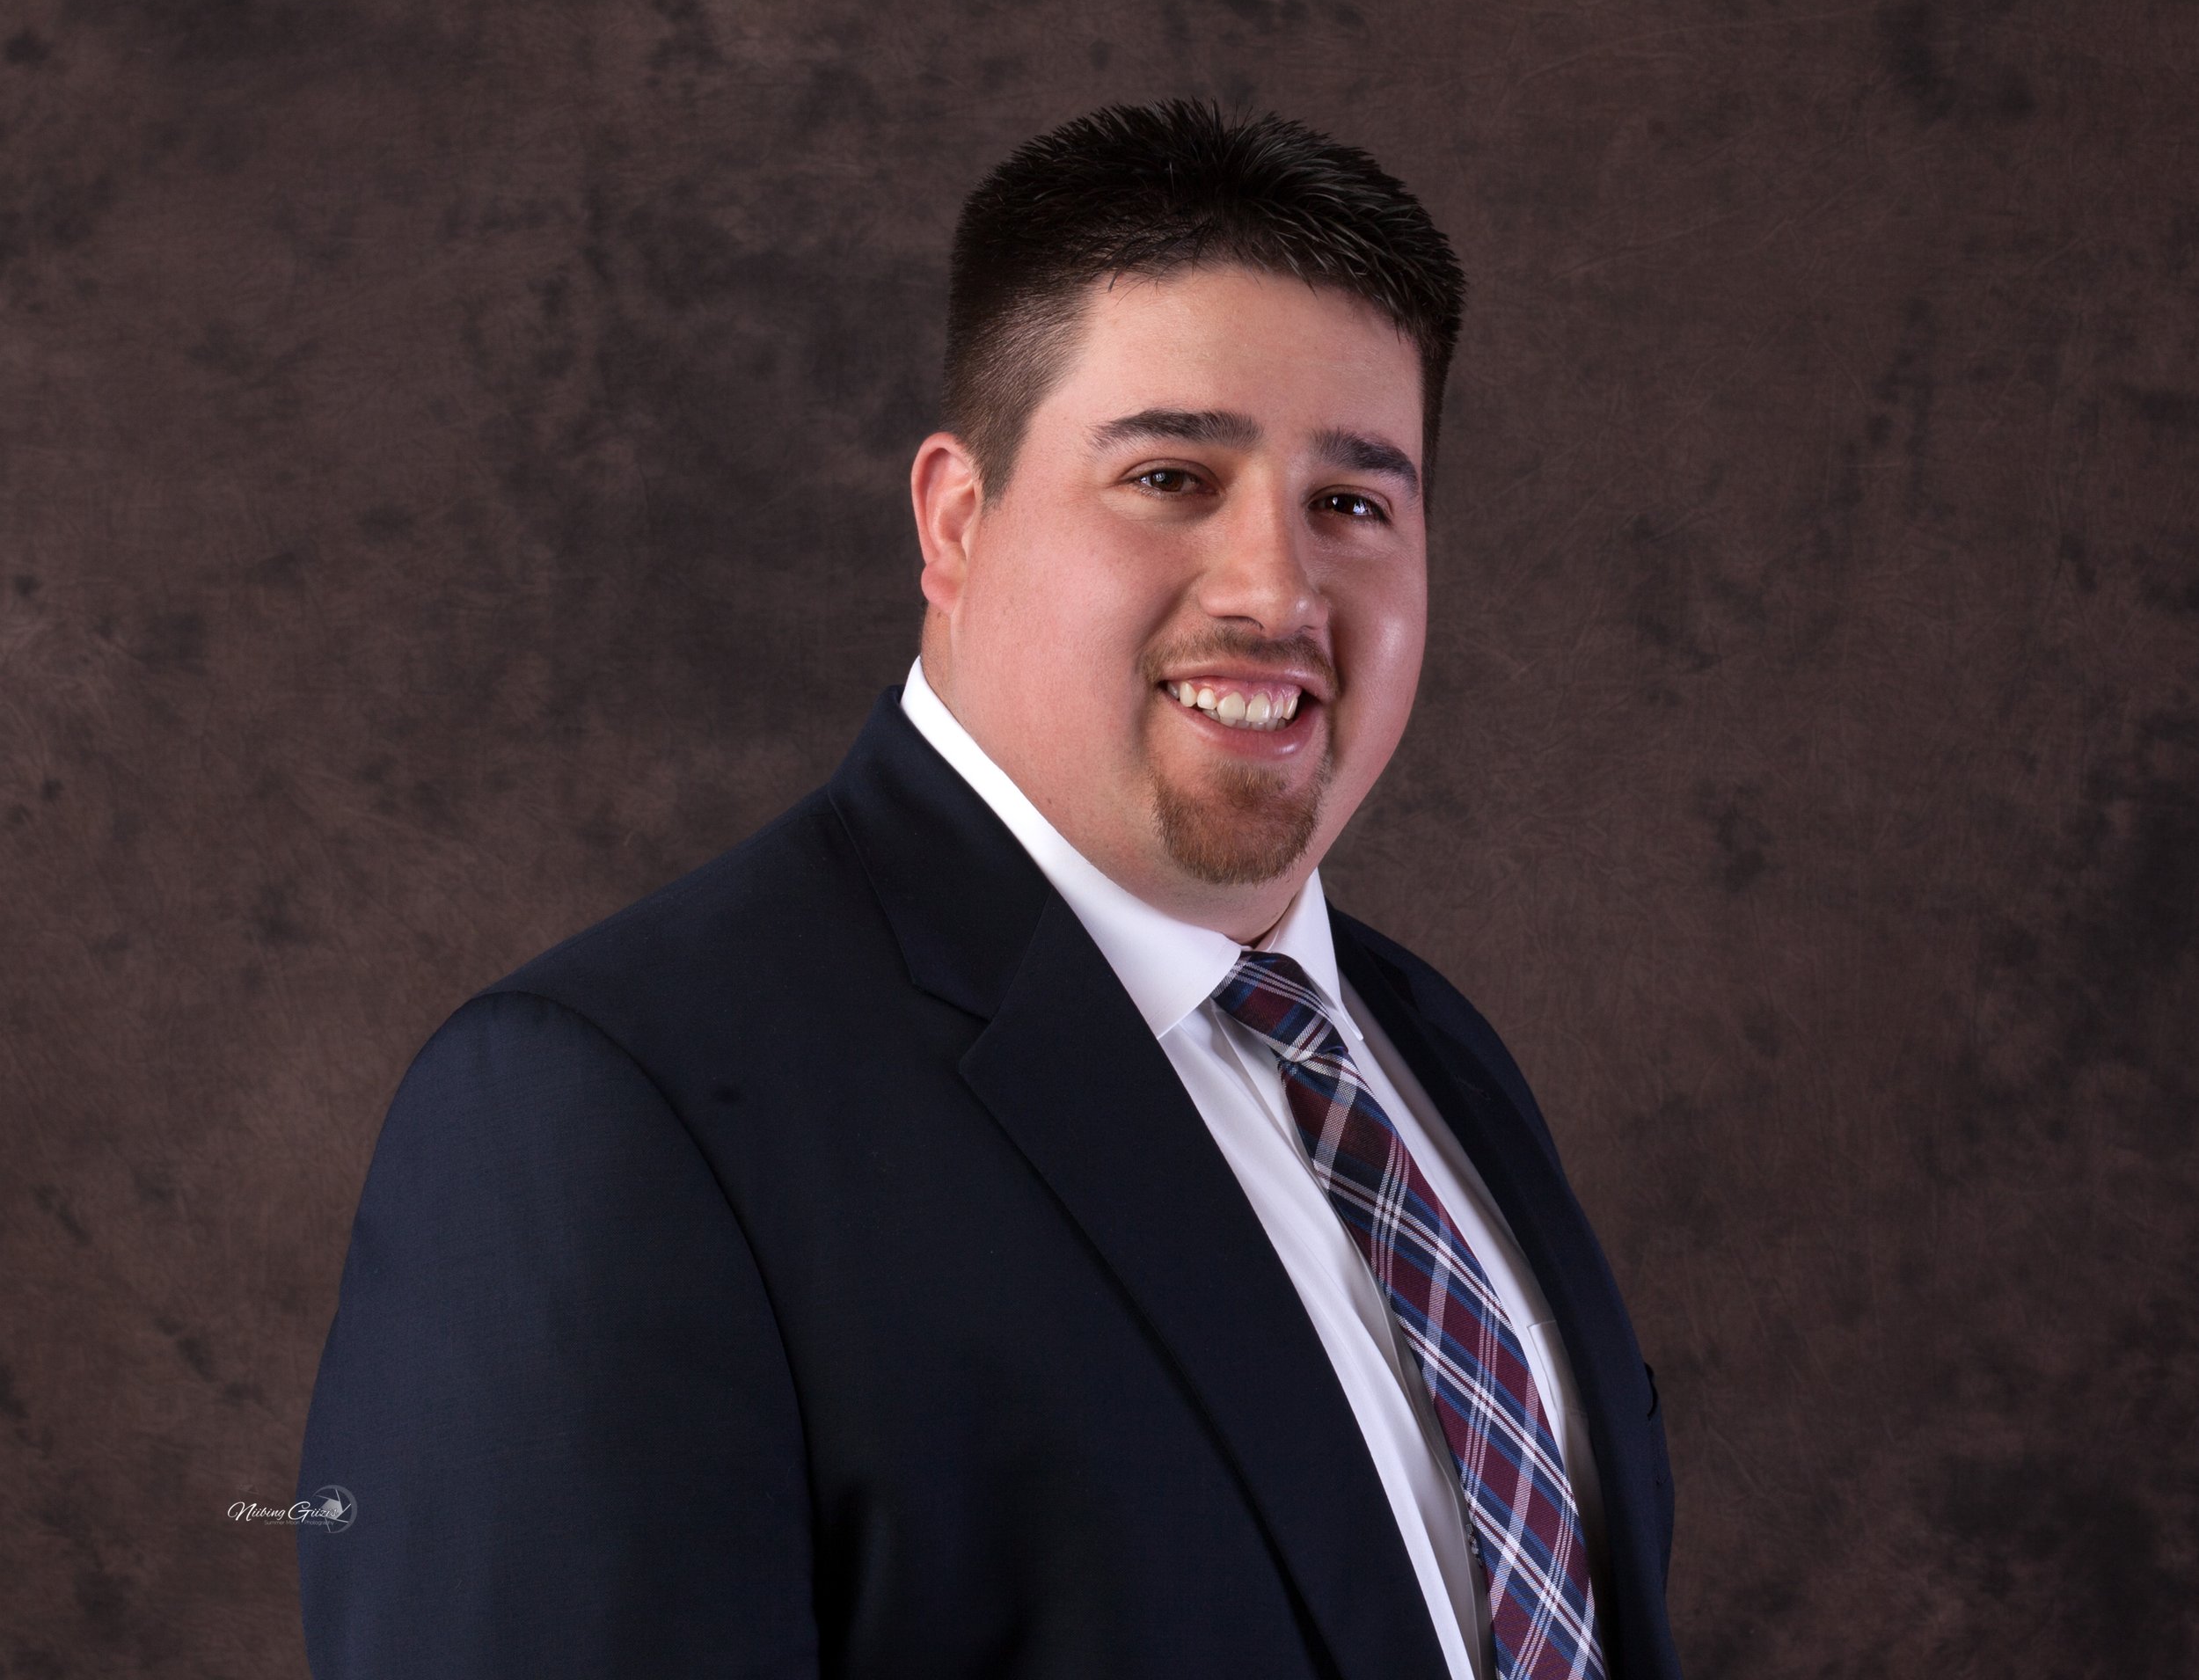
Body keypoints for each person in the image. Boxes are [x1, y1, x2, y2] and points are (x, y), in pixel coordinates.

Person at [296, 99, 1681, 1680]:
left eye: (1354, 504)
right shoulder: (604, 1118)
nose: (1278, 590)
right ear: (958, 522)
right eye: (1171, 476)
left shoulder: (1431, 1058)